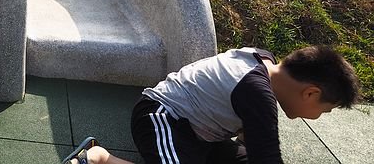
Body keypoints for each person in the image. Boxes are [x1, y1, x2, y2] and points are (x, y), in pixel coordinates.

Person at [66, 45, 361, 164]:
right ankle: (100, 158)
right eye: (325, 109)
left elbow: (254, 142)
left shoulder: (263, 61)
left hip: (201, 136)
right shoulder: (257, 91)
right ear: (310, 93)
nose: (319, 117)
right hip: (163, 119)